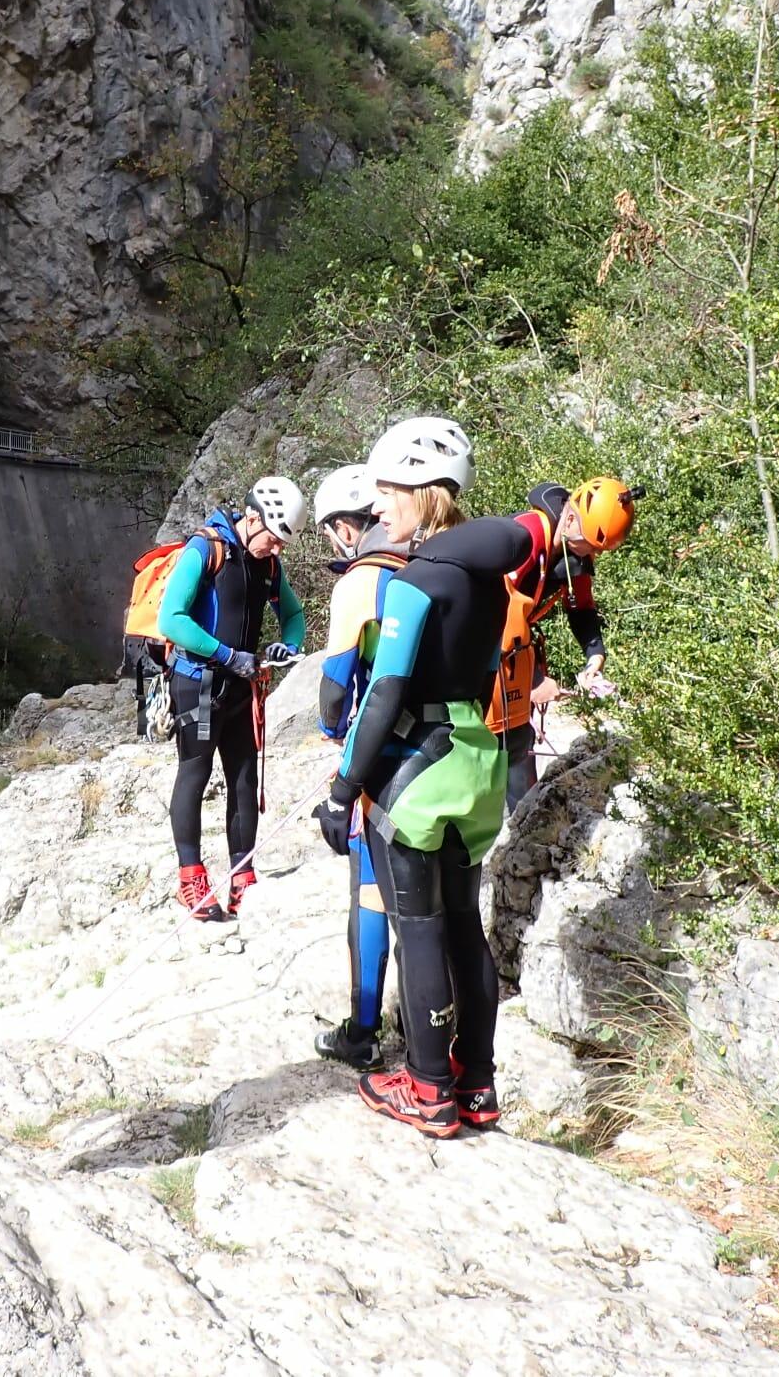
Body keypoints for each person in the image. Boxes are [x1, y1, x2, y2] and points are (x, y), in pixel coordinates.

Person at [313, 416, 550, 1138]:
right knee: (464, 928)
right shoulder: (488, 579)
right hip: (475, 760)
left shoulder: (415, 582)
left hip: (416, 769)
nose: (377, 507)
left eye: (388, 493)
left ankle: (427, 1087)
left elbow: (385, 692)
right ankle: (476, 1086)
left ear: (421, 491)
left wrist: (342, 790)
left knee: (418, 931)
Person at [157, 477, 309, 921]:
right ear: (253, 517)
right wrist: (226, 655)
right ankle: (191, 877)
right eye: (273, 539)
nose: (275, 549)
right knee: (196, 771)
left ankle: (243, 876)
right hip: (198, 682)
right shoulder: (207, 550)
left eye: (282, 544)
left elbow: (293, 613)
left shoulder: (268, 565)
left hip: (241, 684)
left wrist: (289, 645)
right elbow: (171, 619)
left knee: (243, 778)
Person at [309, 464, 410, 1069]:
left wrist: (334, 738)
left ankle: (364, 1031)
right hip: (454, 750)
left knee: (372, 891)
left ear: (345, 527)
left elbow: (334, 688)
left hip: (383, 760)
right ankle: (435, 1039)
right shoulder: (432, 562)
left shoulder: (361, 580)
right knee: (430, 903)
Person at [487, 478, 640, 815]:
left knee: (517, 742)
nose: (593, 555)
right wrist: (535, 682)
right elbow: (495, 612)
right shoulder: (525, 537)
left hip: (514, 652)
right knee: (491, 744)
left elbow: (581, 608)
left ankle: (522, 822)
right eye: (591, 546)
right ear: (570, 520)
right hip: (485, 649)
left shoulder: (574, 552)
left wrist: (594, 655)